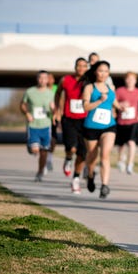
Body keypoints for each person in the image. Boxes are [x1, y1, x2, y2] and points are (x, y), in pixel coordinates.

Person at [81, 60, 120, 199]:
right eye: (100, 70)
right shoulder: (89, 88)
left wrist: (122, 108)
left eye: (106, 71)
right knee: (92, 157)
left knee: (105, 155)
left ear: (108, 73)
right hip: (91, 127)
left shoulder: (111, 88)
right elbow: (85, 107)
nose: (103, 73)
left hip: (109, 126)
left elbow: (114, 103)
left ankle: (105, 185)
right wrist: (98, 101)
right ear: (95, 72)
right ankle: (90, 175)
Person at [53, 57, 89, 194]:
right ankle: (68, 158)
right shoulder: (66, 80)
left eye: (84, 66)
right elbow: (57, 93)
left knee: (82, 154)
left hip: (85, 121)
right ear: (75, 67)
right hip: (68, 119)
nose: (81, 68)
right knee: (72, 148)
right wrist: (57, 110)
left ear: (87, 68)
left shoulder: (89, 82)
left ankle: (76, 180)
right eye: (79, 66)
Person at [20, 70, 56, 182]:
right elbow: (22, 104)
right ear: (37, 79)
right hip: (33, 125)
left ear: (48, 80)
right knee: (35, 149)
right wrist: (27, 113)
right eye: (40, 78)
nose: (42, 80)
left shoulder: (51, 93)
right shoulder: (30, 91)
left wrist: (53, 110)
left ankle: (40, 171)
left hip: (46, 125)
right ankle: (31, 147)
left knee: (44, 151)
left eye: (45, 78)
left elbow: (56, 109)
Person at [115, 72, 138, 175]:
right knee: (121, 144)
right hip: (121, 121)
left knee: (132, 142)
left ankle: (130, 164)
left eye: (132, 79)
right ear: (125, 80)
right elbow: (113, 102)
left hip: (133, 121)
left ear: (135, 81)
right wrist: (121, 104)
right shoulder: (119, 91)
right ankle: (120, 160)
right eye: (128, 79)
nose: (130, 81)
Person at [46, 72, 58, 173]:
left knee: (53, 138)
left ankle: (49, 158)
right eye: (47, 78)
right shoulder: (41, 89)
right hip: (42, 118)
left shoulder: (57, 88)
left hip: (53, 116)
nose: (49, 80)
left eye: (51, 78)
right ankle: (44, 159)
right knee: (44, 139)